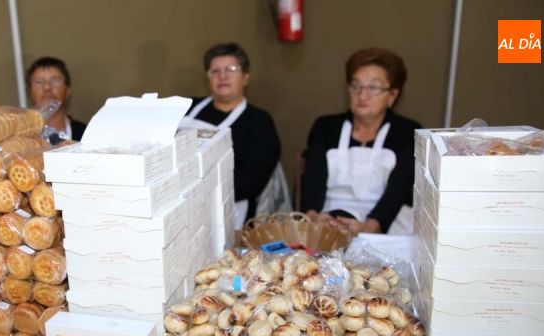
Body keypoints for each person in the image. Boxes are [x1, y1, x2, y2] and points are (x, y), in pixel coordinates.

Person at [300, 47, 422, 235]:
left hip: (388, 226)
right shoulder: (325, 127)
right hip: (329, 223)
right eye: (356, 86)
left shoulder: (407, 132)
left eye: (373, 87)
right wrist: (314, 217)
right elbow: (313, 178)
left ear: (392, 95)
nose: (362, 95)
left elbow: (400, 187)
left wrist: (371, 226)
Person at [180, 42, 283, 224]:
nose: (223, 76)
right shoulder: (186, 108)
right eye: (215, 71)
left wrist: (200, 189)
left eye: (231, 69)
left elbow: (253, 182)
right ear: (208, 79)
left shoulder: (259, 121)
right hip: (181, 202)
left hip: (231, 211)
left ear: (245, 77)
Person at [26, 56, 87, 141]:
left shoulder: (86, 134)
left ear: (68, 90)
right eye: (39, 82)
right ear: (30, 91)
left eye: (55, 81)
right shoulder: (21, 136)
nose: (47, 87)